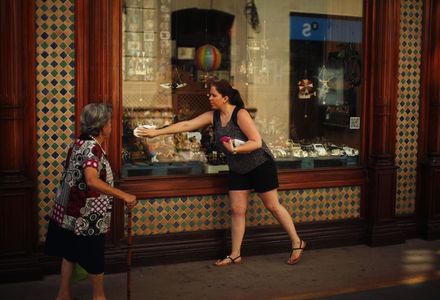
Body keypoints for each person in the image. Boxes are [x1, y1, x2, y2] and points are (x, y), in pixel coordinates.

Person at [137, 79, 306, 266]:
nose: (209, 97)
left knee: (273, 206)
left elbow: (256, 142)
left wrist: (235, 150)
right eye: (209, 94)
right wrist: (156, 133)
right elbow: (186, 125)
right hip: (238, 167)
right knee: (237, 210)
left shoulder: (240, 114)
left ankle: (297, 242)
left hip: (259, 164)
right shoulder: (214, 116)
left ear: (225, 98)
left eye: (213, 95)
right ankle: (235, 254)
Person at [45, 103, 138, 300]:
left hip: (69, 212)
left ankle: (63, 294)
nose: (112, 126)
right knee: (94, 258)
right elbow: (91, 179)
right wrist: (124, 195)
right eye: (110, 122)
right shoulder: (92, 149)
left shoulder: (78, 142)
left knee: (69, 253)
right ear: (103, 126)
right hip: (86, 215)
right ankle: (99, 297)